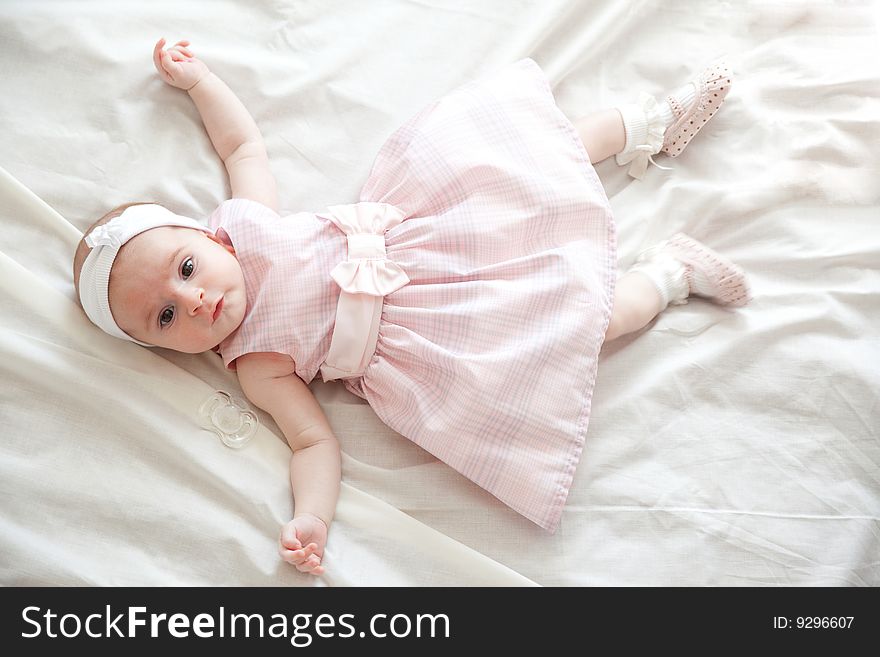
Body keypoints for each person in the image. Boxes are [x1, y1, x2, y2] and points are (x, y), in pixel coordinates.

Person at [72, 38, 749, 576]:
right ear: (164, 350)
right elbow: (313, 442)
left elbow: (241, 145)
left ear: (205, 234)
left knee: (526, 158)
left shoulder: (247, 223)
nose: (192, 300)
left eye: (185, 268)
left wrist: (199, 83)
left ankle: (649, 121)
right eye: (164, 318)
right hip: (440, 334)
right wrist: (312, 517)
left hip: (427, 227)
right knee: (579, 329)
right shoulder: (257, 363)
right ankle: (669, 274)